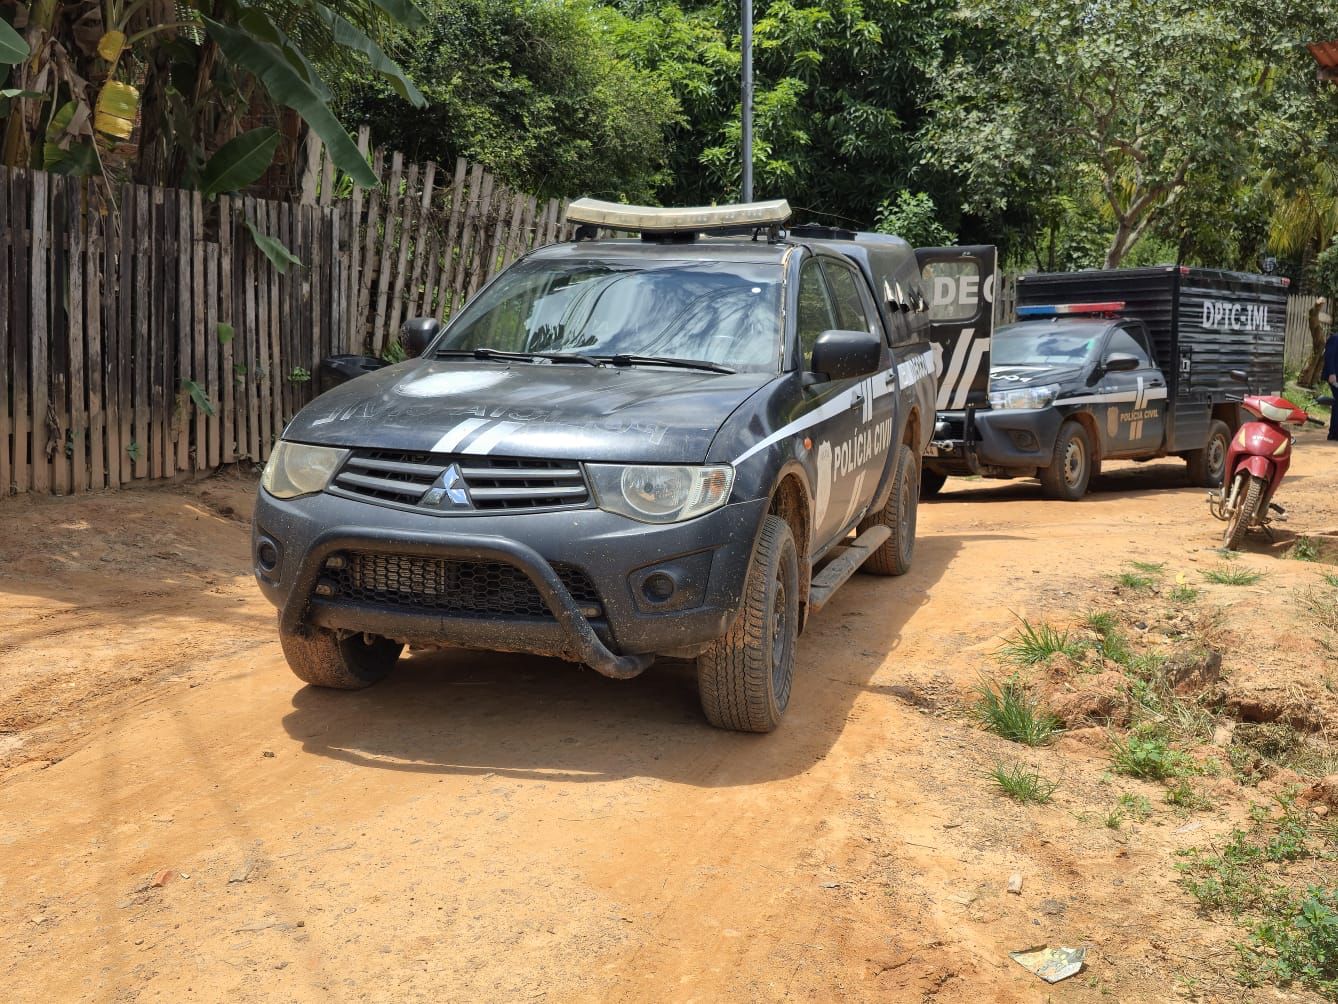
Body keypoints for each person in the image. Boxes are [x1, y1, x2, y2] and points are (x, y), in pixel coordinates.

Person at [1325, 328, 1338, 441]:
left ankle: (1334, 433)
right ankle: (1334, 433)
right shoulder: (1335, 338)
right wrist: (1331, 373)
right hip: (1334, 376)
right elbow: (1329, 356)